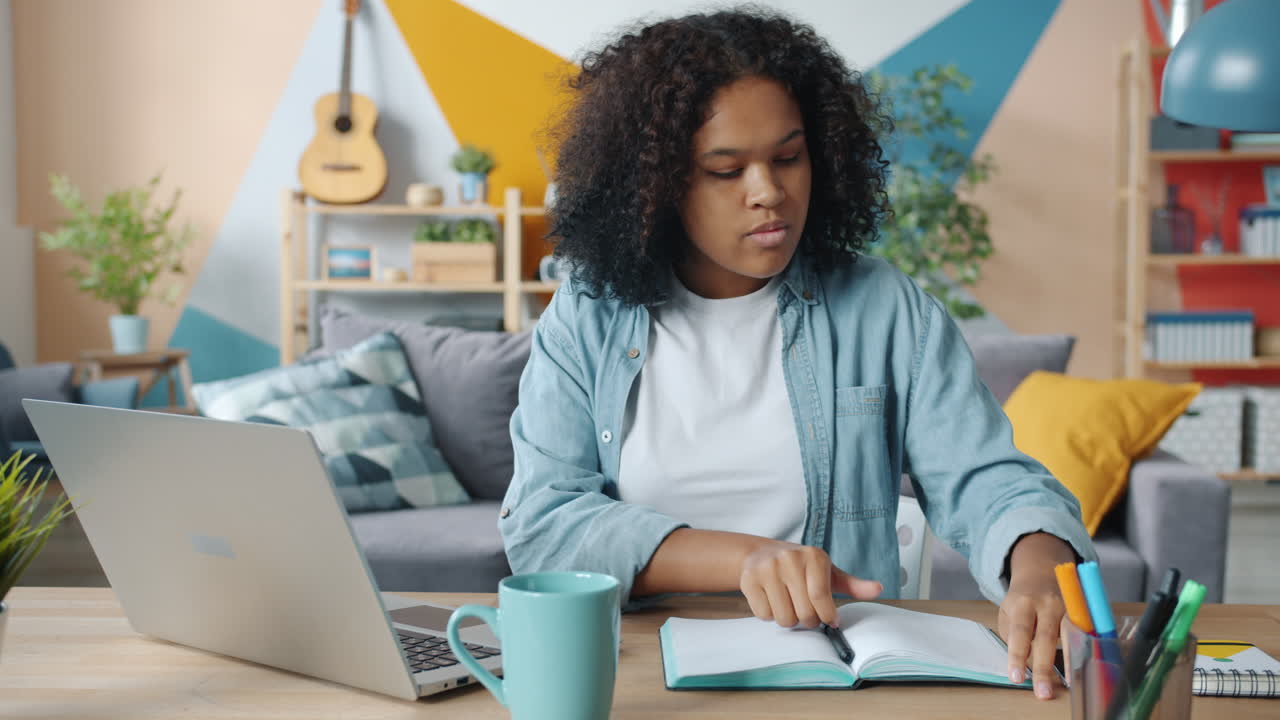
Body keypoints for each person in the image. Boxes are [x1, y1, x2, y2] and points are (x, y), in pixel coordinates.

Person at [499, 7, 1095, 701]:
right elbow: (542, 525)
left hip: (836, 683)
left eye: (788, 157)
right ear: (656, 187)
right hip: (635, 679)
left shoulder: (884, 308)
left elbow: (986, 477)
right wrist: (747, 559)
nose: (769, 192)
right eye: (726, 170)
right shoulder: (588, 314)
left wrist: (1036, 560)